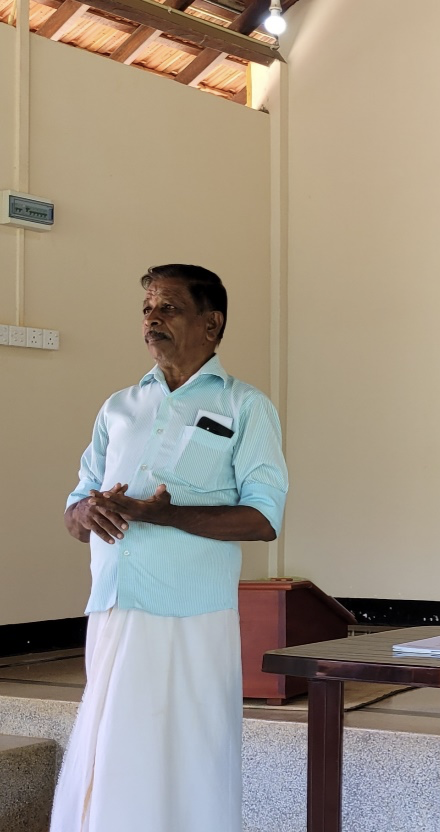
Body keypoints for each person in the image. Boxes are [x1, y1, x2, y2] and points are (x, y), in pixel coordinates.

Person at [50, 264, 289, 832]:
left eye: (169, 308)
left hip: (191, 614)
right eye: (147, 309)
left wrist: (168, 516)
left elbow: (263, 519)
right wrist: (86, 512)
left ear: (212, 324)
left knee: (186, 761)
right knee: (112, 752)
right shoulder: (119, 407)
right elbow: (76, 507)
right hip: (114, 606)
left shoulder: (246, 407)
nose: (152, 319)